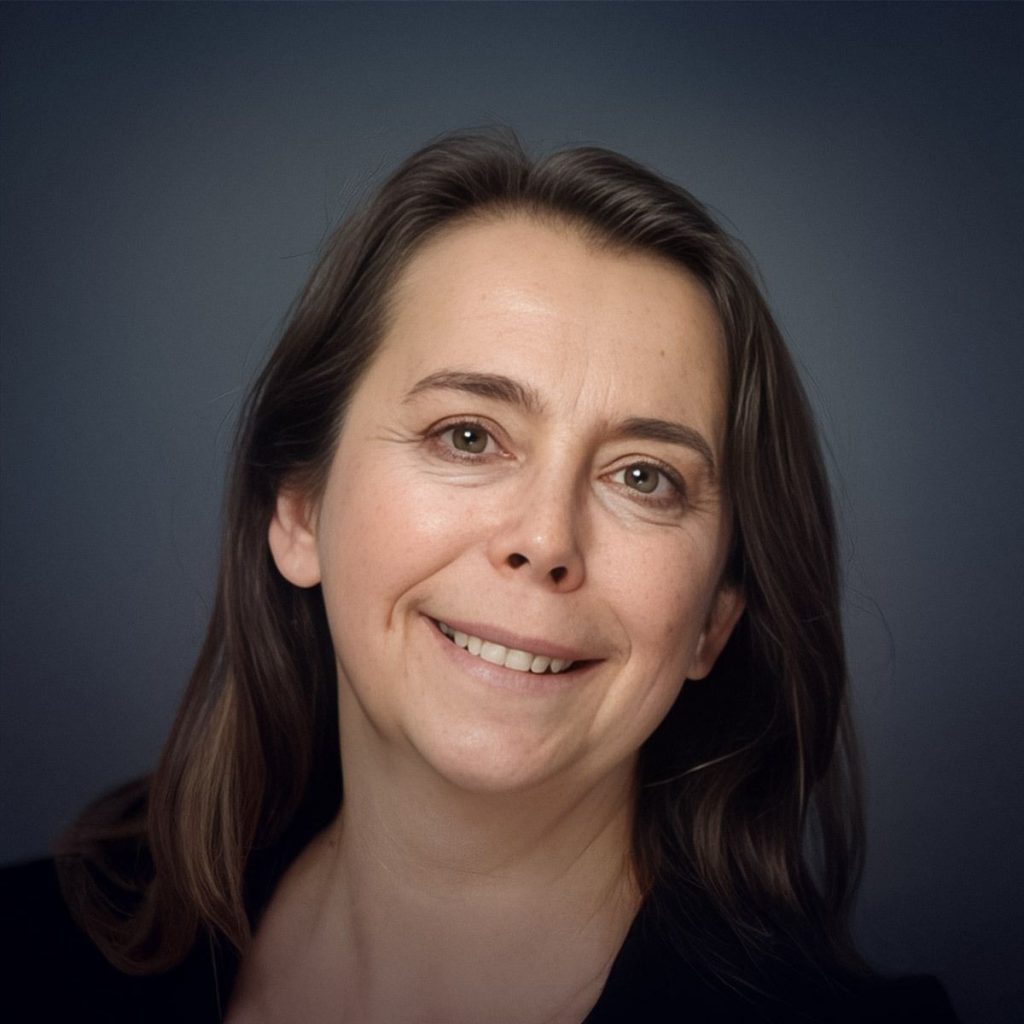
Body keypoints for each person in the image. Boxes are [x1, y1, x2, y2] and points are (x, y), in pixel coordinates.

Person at [3, 130, 960, 1023]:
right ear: (298, 511)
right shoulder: (32, 951)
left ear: (715, 615)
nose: (545, 539)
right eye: (467, 436)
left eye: (643, 477)